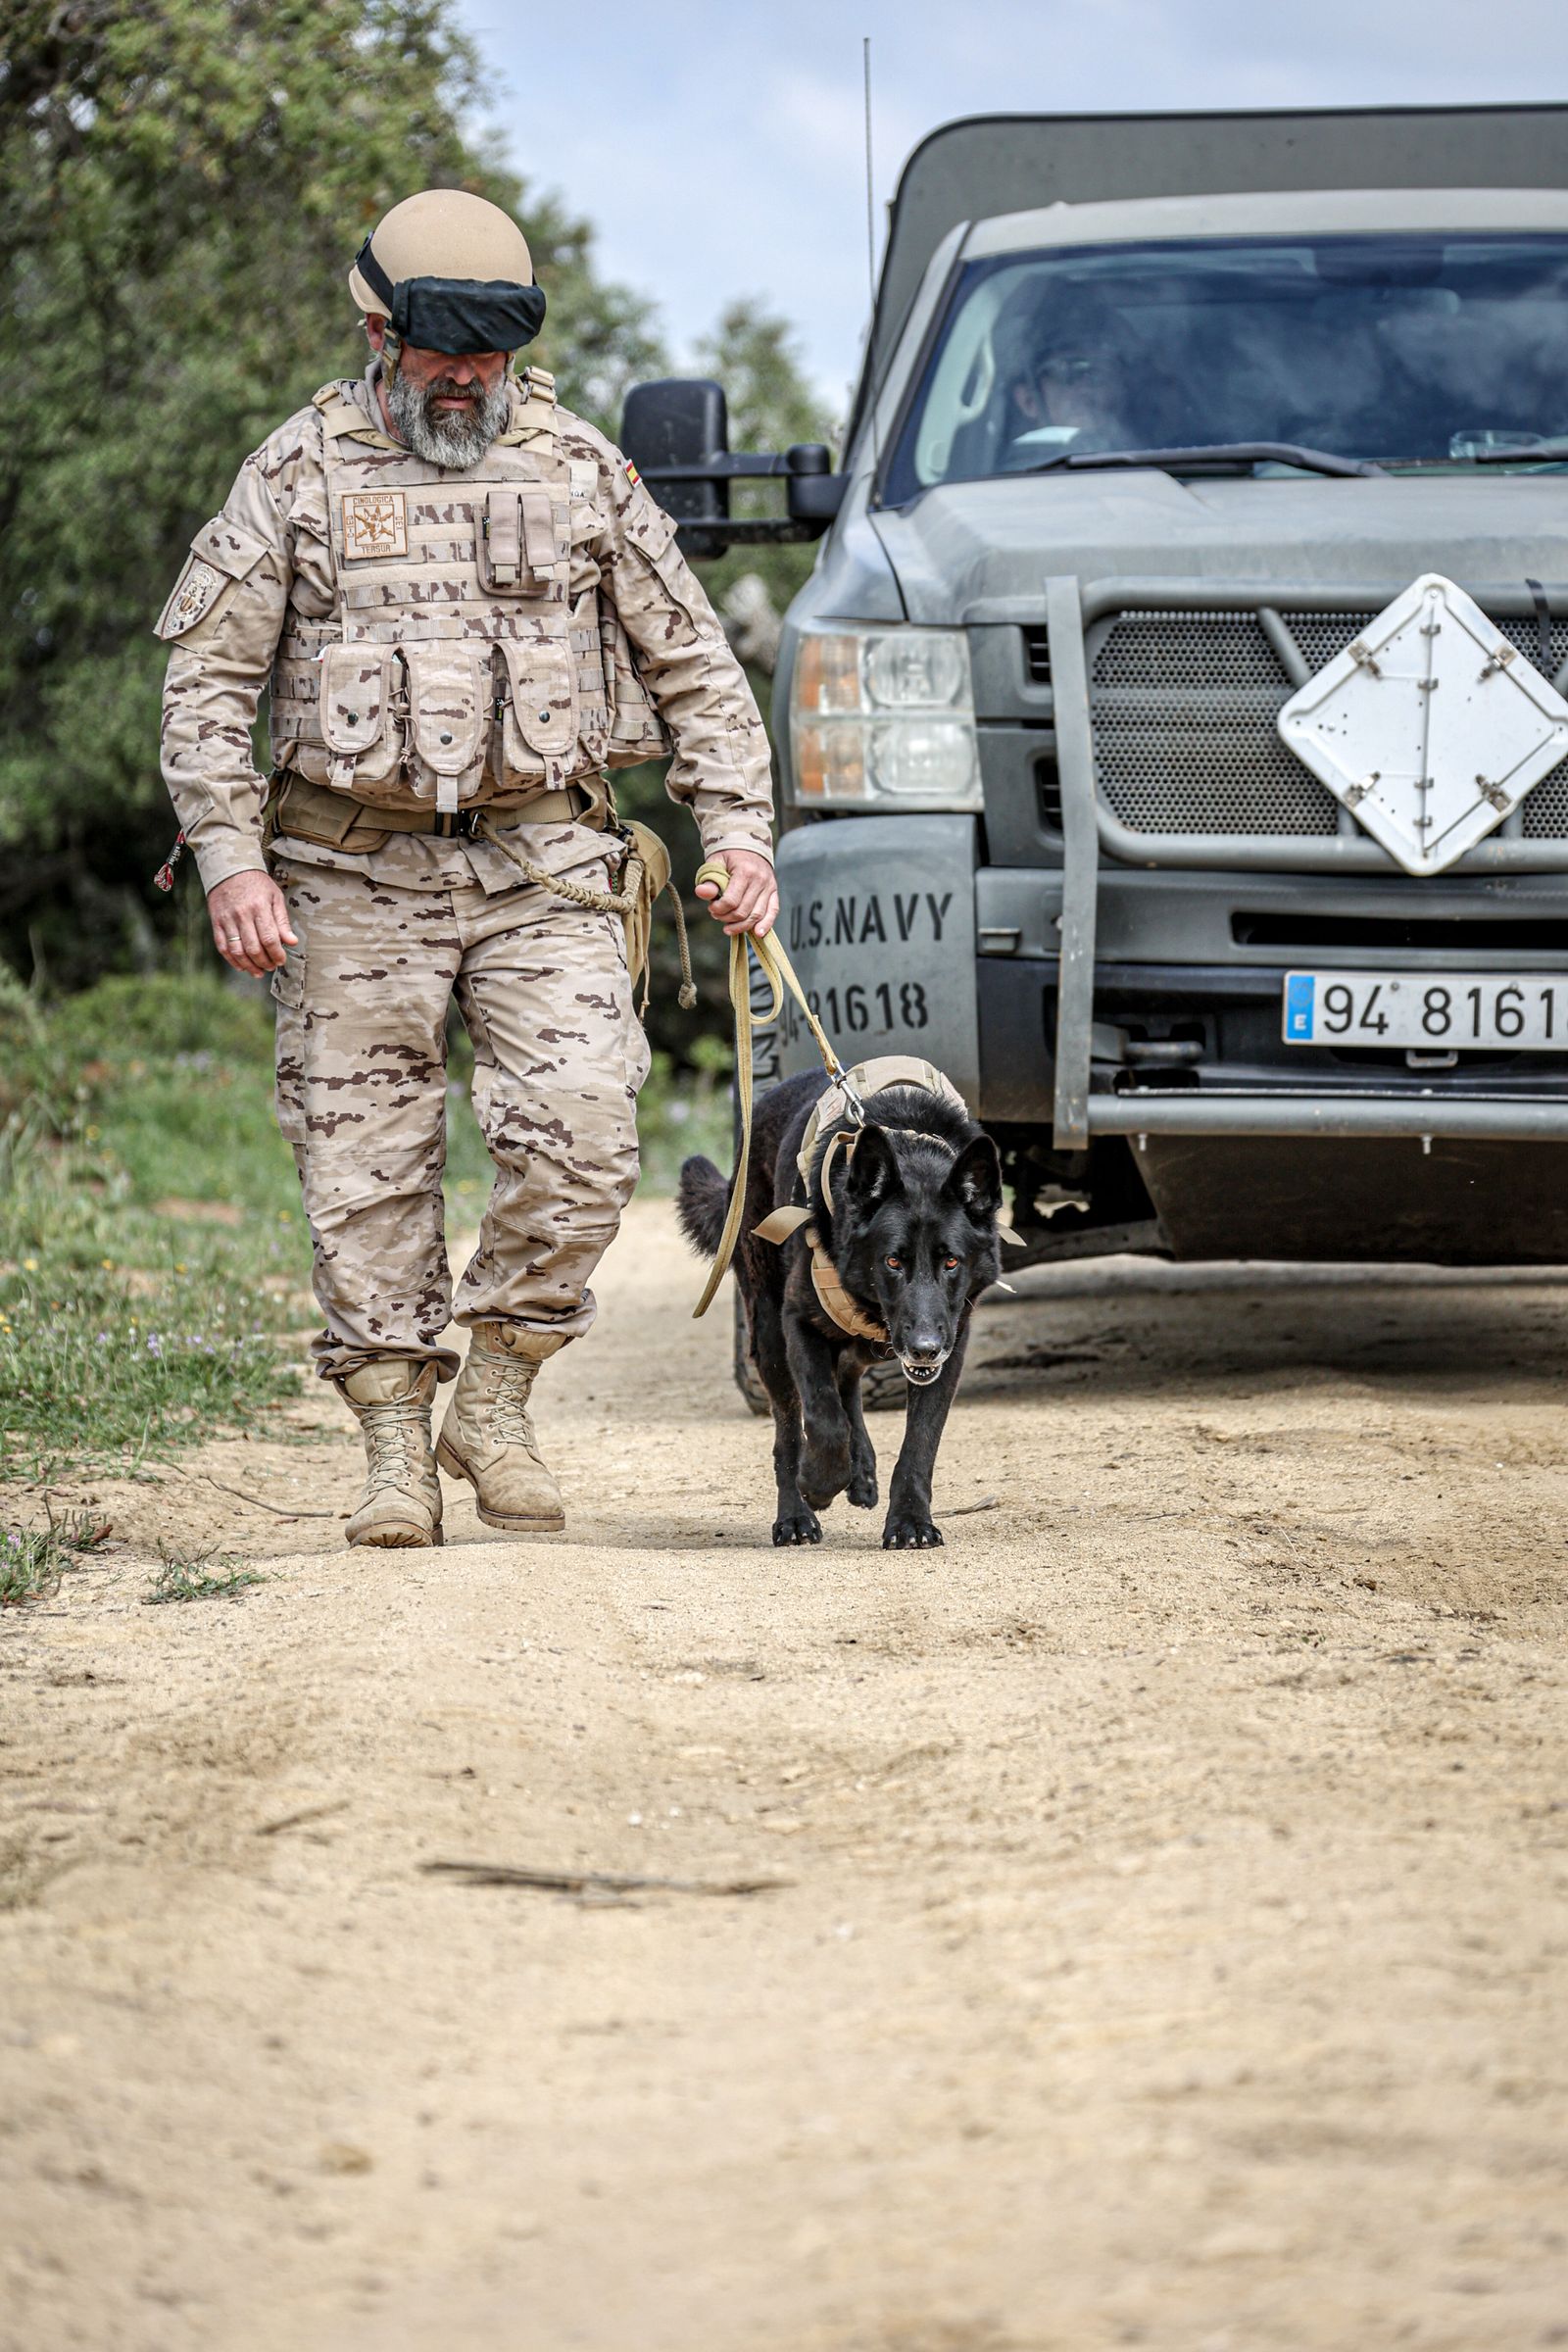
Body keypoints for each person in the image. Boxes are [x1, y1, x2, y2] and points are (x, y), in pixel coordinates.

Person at [157, 189, 777, 1550]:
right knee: (364, 1169)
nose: (468, 377)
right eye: (444, 351)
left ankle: (493, 1394)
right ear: (378, 327)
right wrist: (227, 859)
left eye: (492, 354)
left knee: (587, 1134)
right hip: (345, 870)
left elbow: (696, 667)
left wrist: (736, 831)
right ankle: (392, 1443)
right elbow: (205, 681)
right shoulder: (296, 474)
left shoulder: (578, 468)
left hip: (542, 862)